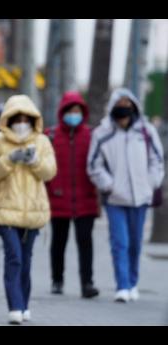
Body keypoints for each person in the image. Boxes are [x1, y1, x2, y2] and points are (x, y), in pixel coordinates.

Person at [0, 95, 57, 325]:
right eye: (17, 118)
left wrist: (34, 161)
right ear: (8, 119)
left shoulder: (42, 142)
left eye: (27, 118)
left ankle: (24, 304)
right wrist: (10, 159)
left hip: (33, 212)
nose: (22, 122)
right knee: (13, 257)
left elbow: (50, 172)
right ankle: (14, 306)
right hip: (5, 210)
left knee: (26, 260)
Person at [87, 88, 165, 303]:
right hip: (115, 199)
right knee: (119, 242)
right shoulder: (102, 134)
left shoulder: (147, 131)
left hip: (141, 198)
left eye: (127, 103)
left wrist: (151, 183)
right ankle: (122, 285)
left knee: (135, 243)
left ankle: (132, 282)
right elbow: (94, 165)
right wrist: (109, 185)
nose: (124, 108)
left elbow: (157, 160)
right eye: (119, 103)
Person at [45, 91, 100, 298]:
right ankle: (57, 279)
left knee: (85, 241)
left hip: (86, 199)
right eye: (70, 111)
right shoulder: (50, 135)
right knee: (59, 242)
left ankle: (87, 283)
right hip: (58, 198)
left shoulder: (92, 135)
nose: (74, 114)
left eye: (77, 111)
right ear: (63, 113)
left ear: (83, 112)